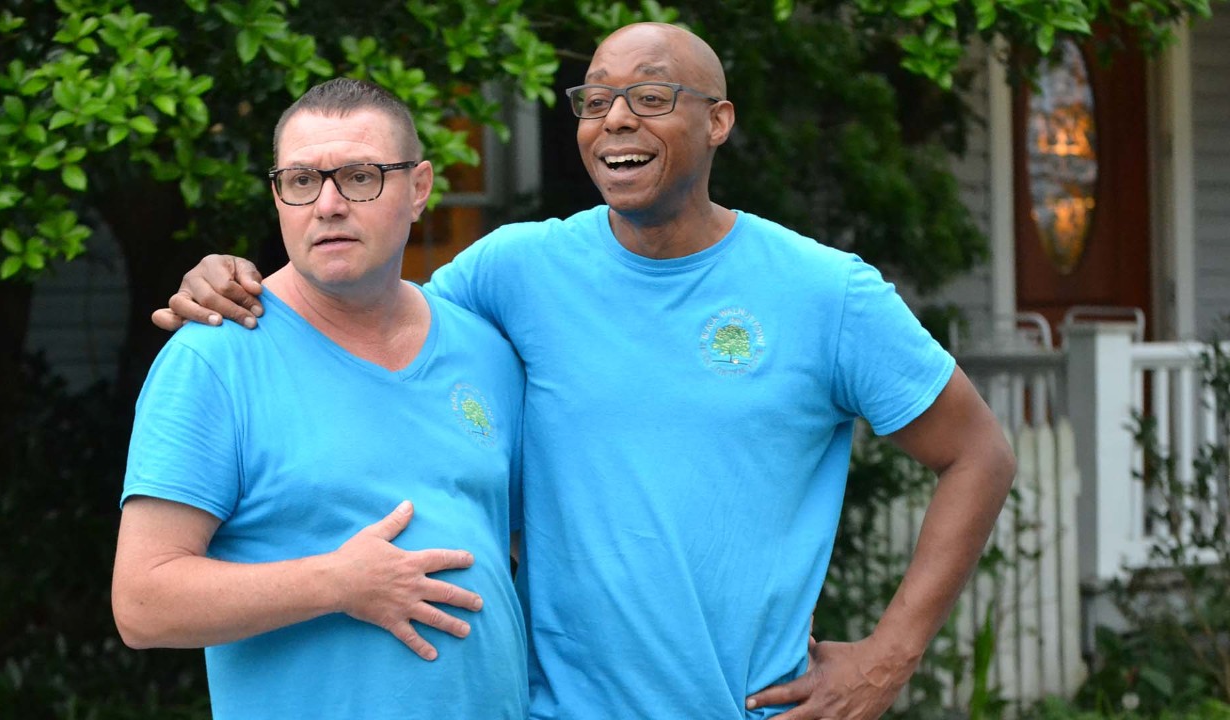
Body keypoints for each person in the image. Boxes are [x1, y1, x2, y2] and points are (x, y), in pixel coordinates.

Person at [153, 23, 1016, 720]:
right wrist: (228, 279)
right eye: (595, 101)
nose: (616, 121)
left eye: (650, 97)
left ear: (718, 120)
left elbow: (978, 454)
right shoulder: (513, 272)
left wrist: (886, 660)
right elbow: (356, 306)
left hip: (752, 705)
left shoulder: (828, 293)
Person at [113, 78, 528, 719]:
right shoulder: (215, 358)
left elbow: (538, 547)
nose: (328, 204)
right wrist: (338, 584)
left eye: (360, 176)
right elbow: (142, 603)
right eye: (302, 181)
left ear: (419, 188)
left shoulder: (484, 349)